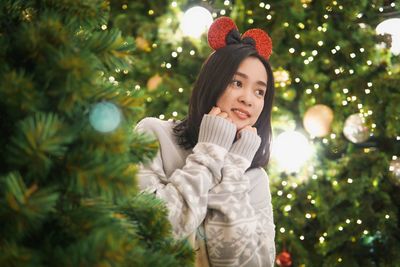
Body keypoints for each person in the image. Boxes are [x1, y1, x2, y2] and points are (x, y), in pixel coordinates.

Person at [135, 17, 275, 267]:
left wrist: (232, 169)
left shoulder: (254, 177)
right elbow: (150, 231)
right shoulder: (154, 133)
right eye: (237, 83)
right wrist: (209, 153)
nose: (248, 99)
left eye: (259, 91)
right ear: (212, 84)